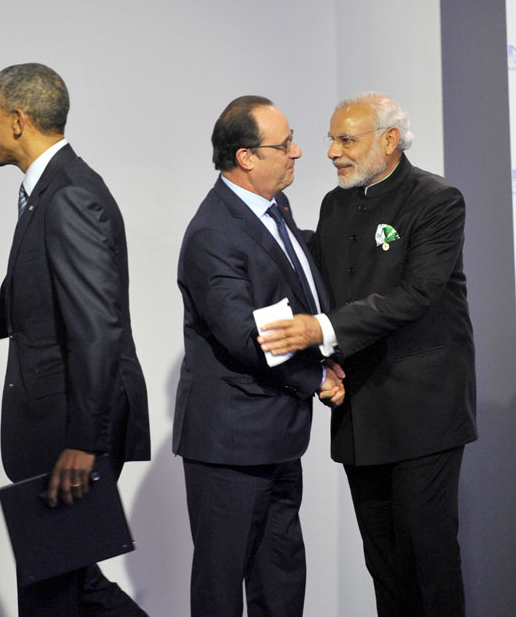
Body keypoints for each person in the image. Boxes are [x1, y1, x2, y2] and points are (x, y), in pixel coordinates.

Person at [0, 63, 150, 616]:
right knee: (70, 588)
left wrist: (84, 443)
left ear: (18, 120)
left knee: (53, 595)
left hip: (70, 436)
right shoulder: (50, 192)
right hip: (65, 432)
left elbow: (97, 330)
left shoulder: (68, 198)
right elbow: (11, 305)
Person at [258, 92, 477, 615]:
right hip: (361, 412)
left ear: (389, 140)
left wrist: (322, 329)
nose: (331, 151)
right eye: (333, 138)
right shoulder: (336, 203)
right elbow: (323, 279)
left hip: (424, 413)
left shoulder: (436, 201)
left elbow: (415, 295)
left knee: (428, 557)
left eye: (346, 139)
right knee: (383, 563)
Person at [173, 95, 345, 616]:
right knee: (222, 588)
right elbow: (246, 335)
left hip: (274, 435)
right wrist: (316, 377)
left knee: (282, 577)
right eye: (284, 143)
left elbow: (296, 279)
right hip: (230, 444)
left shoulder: (275, 207)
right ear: (246, 157)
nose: (297, 152)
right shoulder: (212, 233)